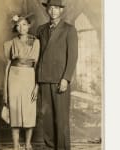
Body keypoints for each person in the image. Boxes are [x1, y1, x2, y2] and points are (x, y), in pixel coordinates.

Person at [37, 0, 78, 149]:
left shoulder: (69, 30)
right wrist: (37, 80)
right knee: (47, 119)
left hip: (60, 79)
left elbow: (73, 56)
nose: (53, 11)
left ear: (61, 10)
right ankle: (49, 147)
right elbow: (38, 55)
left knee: (61, 119)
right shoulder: (40, 29)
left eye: (56, 8)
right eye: (50, 8)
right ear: (47, 10)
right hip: (43, 78)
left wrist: (66, 78)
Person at [3, 13, 40, 150]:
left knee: (29, 110)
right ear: (15, 28)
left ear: (29, 26)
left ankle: (28, 143)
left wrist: (37, 86)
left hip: (30, 77)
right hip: (14, 77)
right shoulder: (10, 43)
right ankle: (15, 145)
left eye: (24, 24)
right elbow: (8, 65)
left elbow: (37, 65)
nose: (21, 27)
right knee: (15, 111)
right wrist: (5, 86)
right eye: (18, 25)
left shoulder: (35, 42)